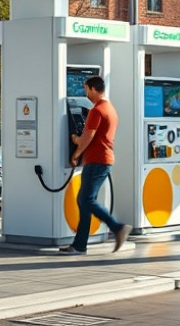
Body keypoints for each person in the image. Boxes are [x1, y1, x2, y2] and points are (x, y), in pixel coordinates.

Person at [60, 76, 132, 255]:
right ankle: (79, 245)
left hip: (97, 161)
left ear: (93, 89)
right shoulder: (110, 108)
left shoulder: (97, 110)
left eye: (86, 89)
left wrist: (76, 148)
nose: (85, 93)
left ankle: (117, 227)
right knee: (84, 200)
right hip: (103, 160)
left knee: (86, 200)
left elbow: (87, 137)